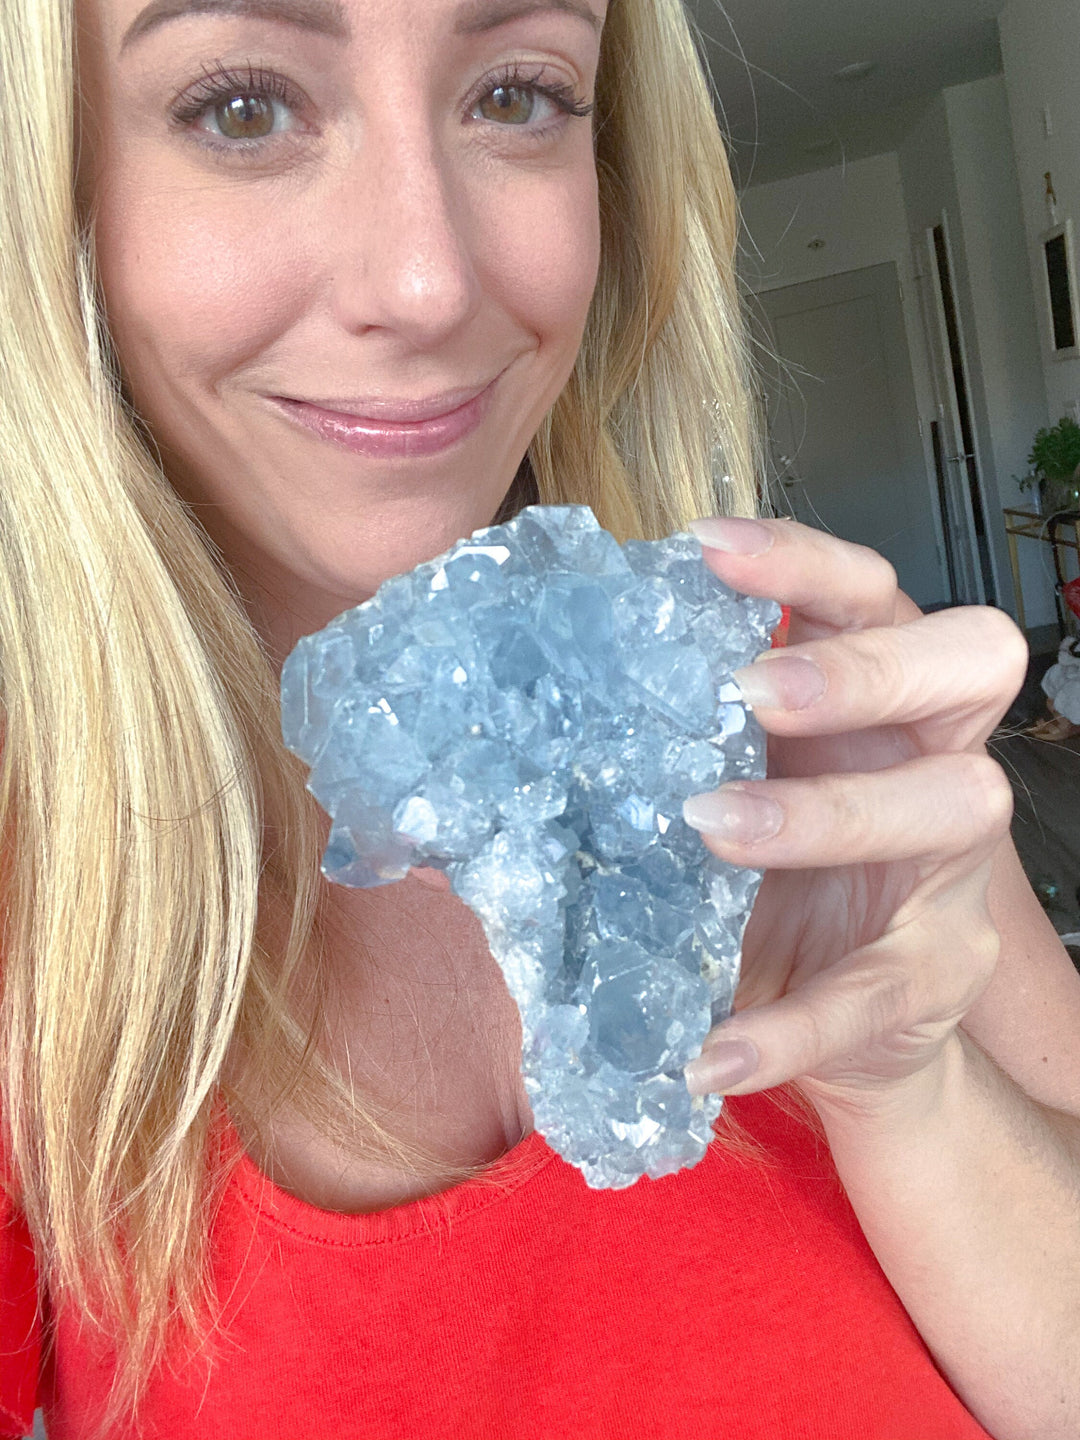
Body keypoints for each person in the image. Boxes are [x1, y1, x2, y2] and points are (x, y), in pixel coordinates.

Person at [1, 0, 1079, 1436]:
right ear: (58, 196)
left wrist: (906, 1082)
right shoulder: (33, 903)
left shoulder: (815, 739)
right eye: (242, 107)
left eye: (516, 94)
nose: (429, 279)